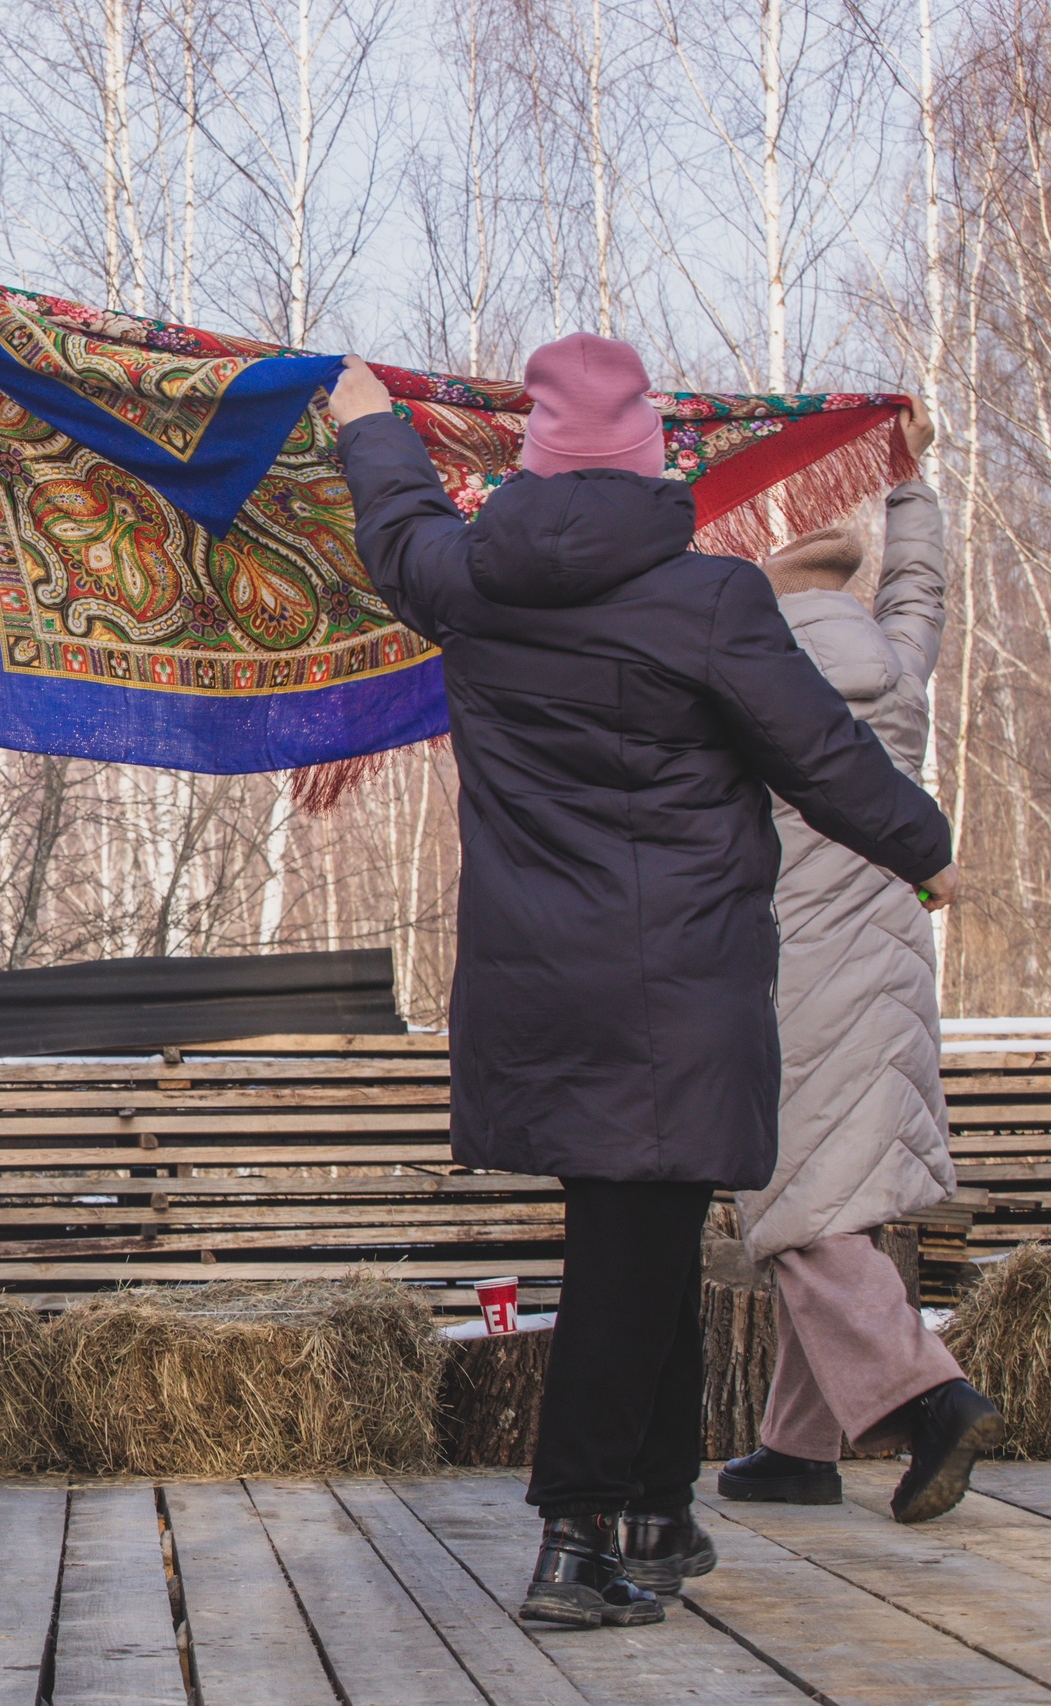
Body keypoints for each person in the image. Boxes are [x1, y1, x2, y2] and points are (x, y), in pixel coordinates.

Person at [327, 337, 956, 1630]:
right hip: (678, 992)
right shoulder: (711, 601)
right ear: (653, 451)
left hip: (544, 994)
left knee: (651, 1247)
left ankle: (656, 1516)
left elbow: (396, 531)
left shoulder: (470, 580)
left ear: (534, 454)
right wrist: (925, 850)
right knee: (626, 1259)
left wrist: (371, 425)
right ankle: (579, 1529)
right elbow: (823, 756)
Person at [720, 398, 1004, 1522]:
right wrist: (909, 479)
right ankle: (796, 1447)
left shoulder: (751, 675)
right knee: (830, 1191)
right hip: (894, 954)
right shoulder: (891, 661)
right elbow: (920, 587)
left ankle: (925, 1394)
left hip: (799, 960)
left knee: (794, 1196)